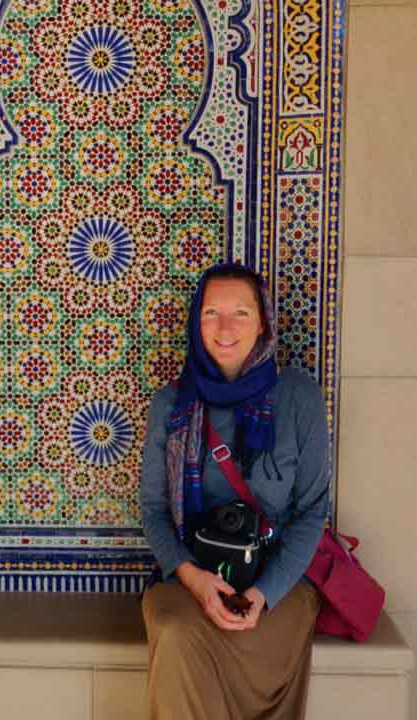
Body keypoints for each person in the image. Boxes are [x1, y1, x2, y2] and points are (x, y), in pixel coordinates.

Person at [140, 263, 329, 720]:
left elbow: (311, 511)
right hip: (189, 581)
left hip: (277, 584)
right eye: (210, 313)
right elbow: (154, 509)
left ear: (262, 321)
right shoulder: (172, 404)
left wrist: (263, 594)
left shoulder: (297, 396)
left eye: (240, 313)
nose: (224, 328)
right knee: (178, 634)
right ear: (195, 321)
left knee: (245, 634)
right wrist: (195, 580)